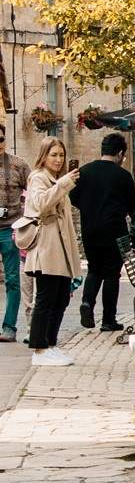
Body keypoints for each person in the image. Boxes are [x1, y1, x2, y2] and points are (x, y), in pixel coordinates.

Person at [22, 139, 81, 365]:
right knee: (46, 299)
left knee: (60, 299)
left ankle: (50, 344)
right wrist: (64, 183)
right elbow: (39, 204)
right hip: (47, 247)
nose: (59, 160)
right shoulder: (38, 177)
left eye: (61, 155)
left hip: (61, 246)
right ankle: (38, 348)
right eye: (54, 155)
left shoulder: (55, 179)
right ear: (44, 156)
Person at [74, 131, 135, 332]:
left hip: (89, 229)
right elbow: (132, 205)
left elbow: (73, 198)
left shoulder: (84, 172)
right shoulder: (123, 176)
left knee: (94, 269)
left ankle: (87, 302)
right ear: (120, 153)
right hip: (115, 231)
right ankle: (108, 319)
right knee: (111, 274)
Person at [0, 125, 31, 343]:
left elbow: (33, 189)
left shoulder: (18, 165)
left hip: (9, 228)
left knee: (12, 279)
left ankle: (9, 327)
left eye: (0, 139)